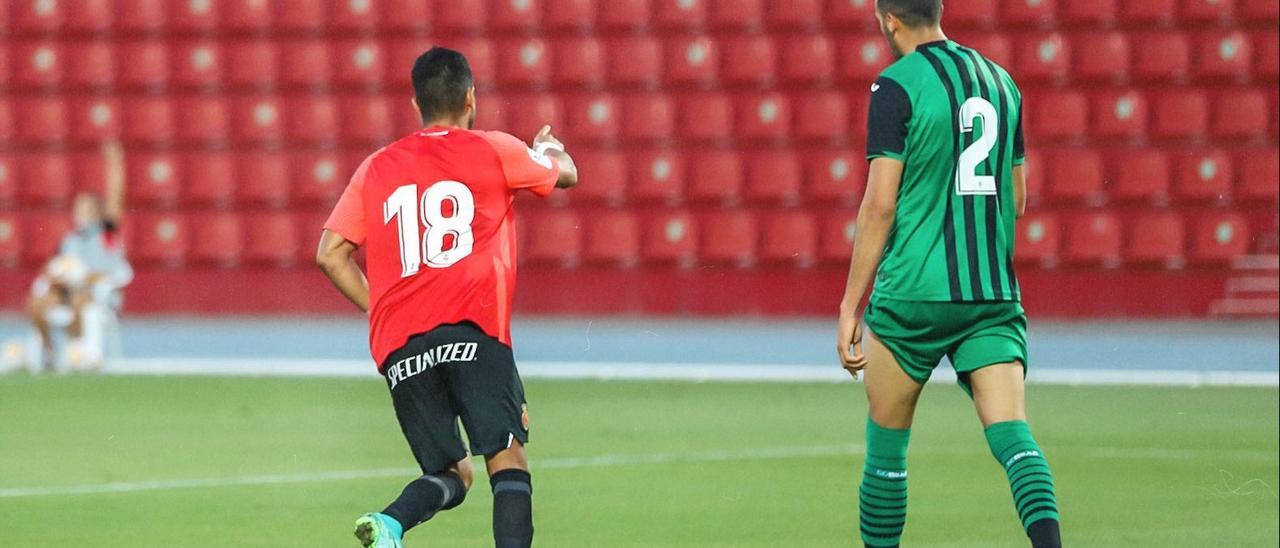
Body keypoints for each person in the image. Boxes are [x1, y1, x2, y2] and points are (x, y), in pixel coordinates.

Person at [316, 47, 578, 548]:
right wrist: (550, 149)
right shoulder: (495, 148)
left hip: (402, 349)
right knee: (506, 461)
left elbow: (330, 254)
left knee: (453, 472)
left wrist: (383, 309)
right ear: (471, 98)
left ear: (416, 105)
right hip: (474, 335)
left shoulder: (376, 167)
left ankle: (391, 523)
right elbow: (566, 174)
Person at [835, 1, 1062, 547]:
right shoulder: (1001, 81)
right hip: (990, 293)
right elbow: (1020, 197)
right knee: (1013, 435)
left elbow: (880, 204)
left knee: (887, 447)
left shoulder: (895, 85)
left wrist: (850, 304)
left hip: (913, 294)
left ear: (887, 19)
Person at [26, 141, 133, 372]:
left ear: (97, 211)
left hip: (95, 291)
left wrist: (115, 162)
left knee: (79, 302)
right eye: (78, 209)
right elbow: (53, 266)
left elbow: (117, 195)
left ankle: (79, 350)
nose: (80, 214)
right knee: (35, 304)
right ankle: (49, 351)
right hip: (66, 289)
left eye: (86, 209)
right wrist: (54, 276)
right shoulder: (69, 239)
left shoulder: (107, 233)